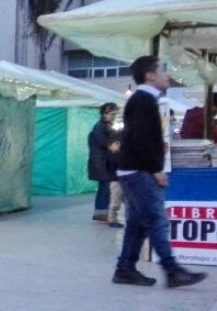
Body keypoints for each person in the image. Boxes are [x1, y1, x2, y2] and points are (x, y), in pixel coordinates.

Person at [112, 56, 206, 288]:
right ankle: (172, 270)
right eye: (162, 71)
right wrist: (156, 170)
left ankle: (125, 269)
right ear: (150, 75)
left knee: (139, 222)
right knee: (155, 219)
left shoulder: (144, 100)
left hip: (134, 169)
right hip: (138, 171)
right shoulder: (143, 100)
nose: (167, 76)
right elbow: (144, 140)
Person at [88, 103, 120, 224]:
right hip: (101, 163)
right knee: (105, 187)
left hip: (104, 163)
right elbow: (106, 144)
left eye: (115, 114)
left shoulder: (106, 126)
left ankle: (102, 212)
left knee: (106, 187)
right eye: (111, 114)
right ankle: (100, 213)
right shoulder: (99, 127)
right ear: (104, 113)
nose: (113, 117)